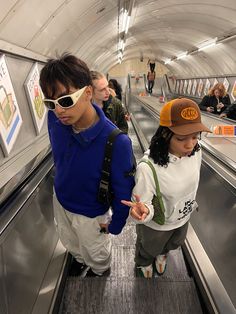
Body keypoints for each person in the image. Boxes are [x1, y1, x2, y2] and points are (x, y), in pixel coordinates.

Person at [39, 53, 135, 277]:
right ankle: (81, 260)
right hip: (61, 200)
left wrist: (116, 224)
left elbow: (124, 192)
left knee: (96, 252)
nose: (58, 110)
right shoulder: (55, 119)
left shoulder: (117, 142)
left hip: (91, 214)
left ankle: (100, 271)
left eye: (65, 100)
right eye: (50, 103)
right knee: (70, 241)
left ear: (88, 93)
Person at [121, 98, 211, 278]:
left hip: (183, 217)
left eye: (195, 136)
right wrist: (143, 209)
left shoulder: (196, 152)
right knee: (149, 247)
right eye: (181, 138)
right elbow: (143, 202)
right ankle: (144, 262)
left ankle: (163, 254)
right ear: (165, 134)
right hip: (158, 224)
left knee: (175, 242)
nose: (190, 144)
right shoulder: (149, 167)